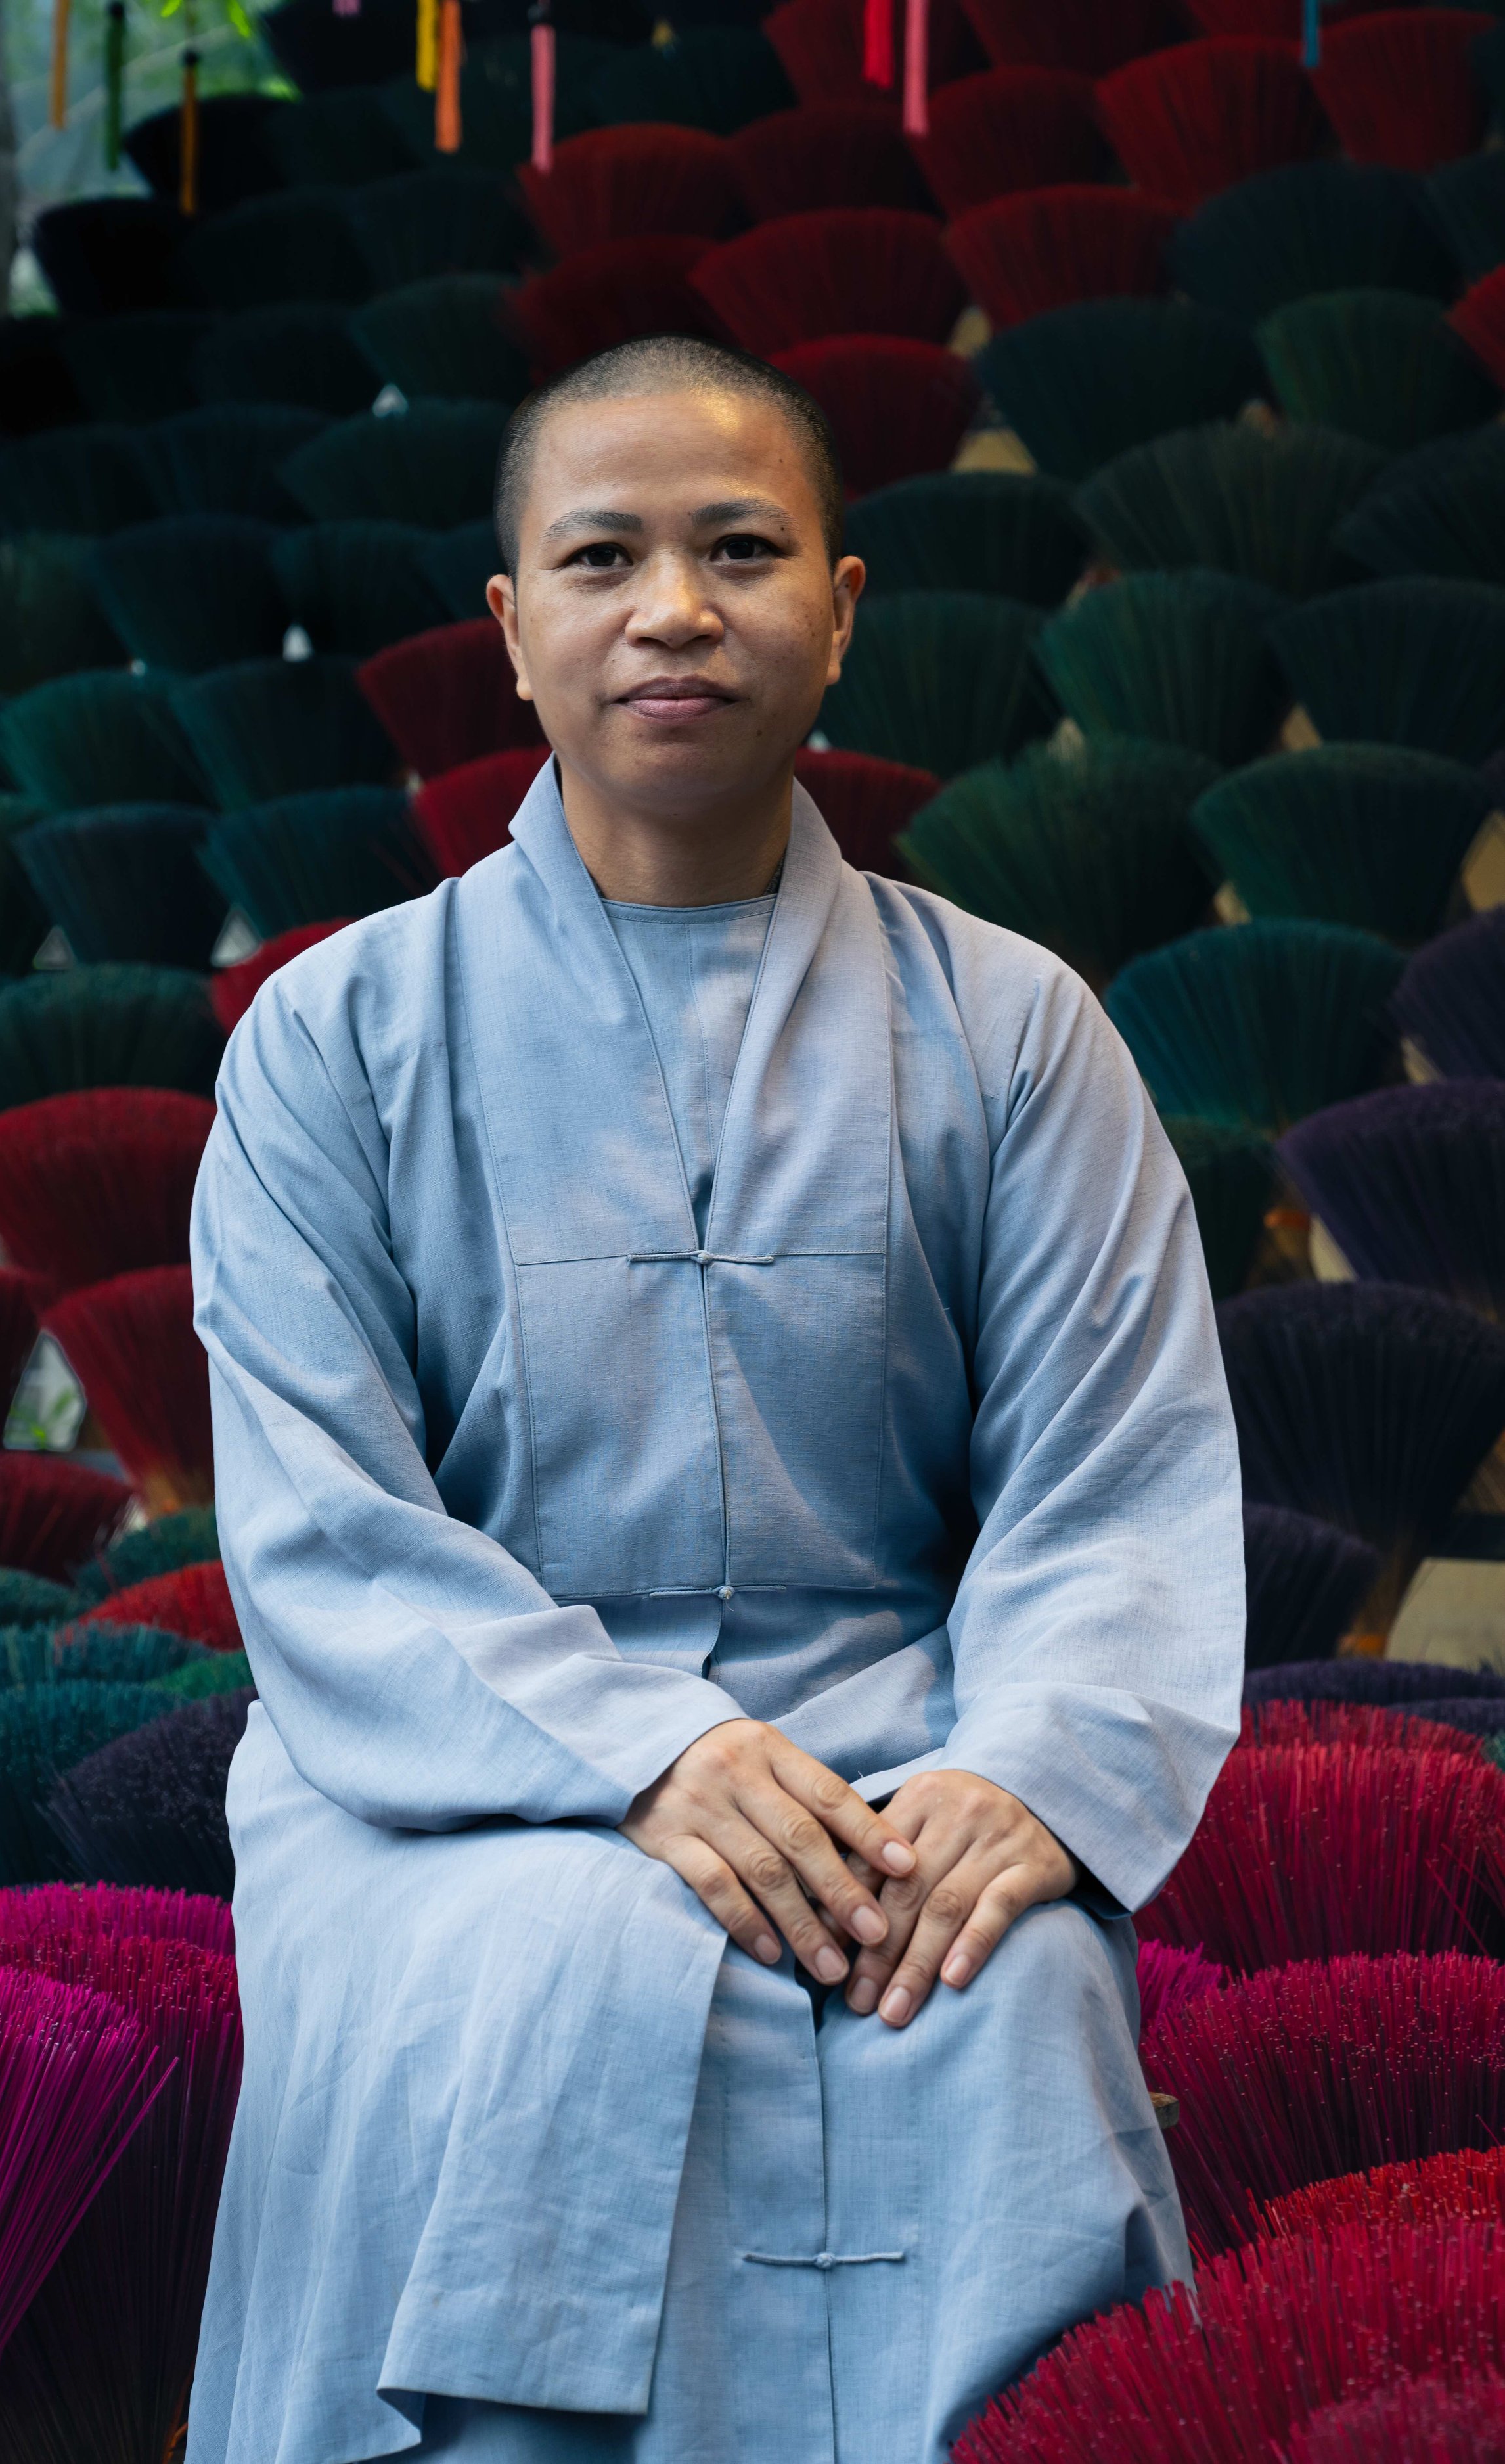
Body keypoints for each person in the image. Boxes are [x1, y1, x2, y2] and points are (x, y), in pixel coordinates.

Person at [187, 336, 1244, 2464]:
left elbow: (1111, 1475)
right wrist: (638, 1753)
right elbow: (326, 1534)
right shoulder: (334, 1037)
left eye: (740, 550)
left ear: (839, 612)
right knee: (565, 1947)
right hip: (456, 1785)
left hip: (892, 1755)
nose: (673, 607)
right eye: (604, 557)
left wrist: (1029, 1769)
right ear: (513, 631)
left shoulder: (1013, 1030)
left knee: (1005, 1985)